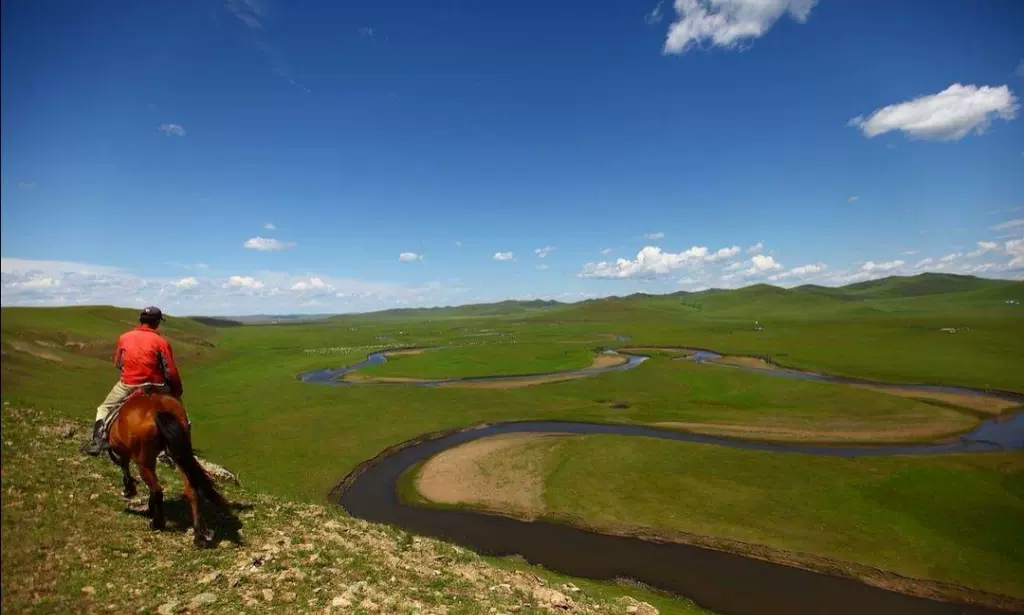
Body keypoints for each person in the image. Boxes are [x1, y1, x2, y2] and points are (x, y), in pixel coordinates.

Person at [81, 306, 184, 456]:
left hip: (128, 384)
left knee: (103, 408)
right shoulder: (161, 342)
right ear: (156, 323)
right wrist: (176, 390)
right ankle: (180, 443)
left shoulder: (124, 337)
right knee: (178, 411)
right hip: (155, 385)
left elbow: (118, 363)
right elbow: (171, 371)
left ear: (141, 320)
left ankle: (98, 442)